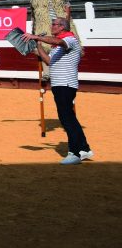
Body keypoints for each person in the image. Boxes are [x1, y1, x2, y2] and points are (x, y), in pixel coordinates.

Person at [23, 18, 93, 164]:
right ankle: (84, 149)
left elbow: (59, 41)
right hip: (60, 85)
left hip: (65, 84)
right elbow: (48, 61)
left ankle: (75, 152)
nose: (52, 26)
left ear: (62, 27)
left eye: (54, 24)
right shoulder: (57, 47)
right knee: (68, 118)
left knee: (67, 119)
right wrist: (38, 44)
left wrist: (36, 36)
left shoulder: (70, 39)